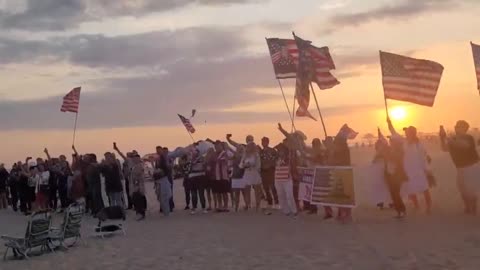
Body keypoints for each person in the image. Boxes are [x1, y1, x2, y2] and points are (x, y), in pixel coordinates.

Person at [388, 118, 432, 213]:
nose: (406, 133)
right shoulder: (403, 141)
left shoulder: (418, 144)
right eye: (406, 131)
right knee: (410, 189)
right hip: (407, 170)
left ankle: (428, 206)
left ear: (412, 133)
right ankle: (416, 205)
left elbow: (423, 157)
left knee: (424, 188)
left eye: (407, 131)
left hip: (418, 170)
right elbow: (393, 133)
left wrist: (427, 169)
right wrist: (389, 123)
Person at [440, 121, 480, 215]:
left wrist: (449, 139)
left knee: (470, 189)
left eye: (458, 126)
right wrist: (442, 138)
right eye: (455, 126)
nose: (455, 128)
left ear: (464, 128)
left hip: (471, 167)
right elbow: (444, 149)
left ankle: (473, 207)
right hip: (460, 168)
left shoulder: (468, 138)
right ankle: (467, 206)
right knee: (462, 189)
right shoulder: (453, 138)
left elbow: (464, 145)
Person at [274, 142, 298, 218]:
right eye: (278, 150)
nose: (279, 151)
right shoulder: (276, 158)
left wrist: (295, 175)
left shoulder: (289, 158)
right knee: (281, 195)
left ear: (284, 150)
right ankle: (286, 210)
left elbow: (293, 167)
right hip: (278, 179)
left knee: (289, 195)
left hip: (287, 180)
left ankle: (294, 210)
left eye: (281, 150)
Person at [240, 142, 262, 212]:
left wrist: (252, 165)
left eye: (250, 146)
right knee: (246, 190)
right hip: (247, 173)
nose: (248, 148)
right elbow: (240, 165)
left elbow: (258, 165)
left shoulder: (256, 155)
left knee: (257, 190)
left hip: (254, 172)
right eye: (248, 146)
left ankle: (258, 205)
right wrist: (244, 165)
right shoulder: (245, 155)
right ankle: (247, 204)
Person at [260, 137, 279, 213]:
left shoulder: (272, 150)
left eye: (265, 141)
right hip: (263, 171)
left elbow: (277, 158)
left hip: (271, 170)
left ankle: (276, 202)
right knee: (265, 187)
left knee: (273, 186)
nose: (263, 143)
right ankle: (269, 201)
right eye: (262, 141)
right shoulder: (260, 151)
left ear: (268, 142)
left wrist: (271, 164)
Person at [187, 148, 208, 214]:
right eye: (193, 152)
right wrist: (193, 160)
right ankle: (194, 208)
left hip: (200, 177)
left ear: (198, 153)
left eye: (196, 152)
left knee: (201, 193)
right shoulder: (190, 159)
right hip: (192, 177)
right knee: (193, 194)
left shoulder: (202, 158)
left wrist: (203, 161)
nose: (194, 153)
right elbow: (188, 167)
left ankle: (203, 207)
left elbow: (205, 166)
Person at [154, 146, 172, 216]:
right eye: (157, 150)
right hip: (159, 180)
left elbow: (168, 168)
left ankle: (167, 211)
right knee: (160, 197)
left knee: (166, 195)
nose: (158, 152)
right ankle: (165, 210)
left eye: (159, 150)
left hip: (164, 179)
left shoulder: (164, 158)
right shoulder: (157, 159)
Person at [214, 140, 230, 212]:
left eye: (218, 146)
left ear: (221, 146)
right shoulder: (215, 154)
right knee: (218, 192)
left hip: (224, 176)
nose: (217, 147)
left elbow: (223, 160)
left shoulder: (224, 153)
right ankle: (220, 205)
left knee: (224, 192)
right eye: (215, 146)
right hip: (217, 176)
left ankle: (226, 206)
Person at [130, 154, 147, 220]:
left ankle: (140, 214)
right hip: (136, 186)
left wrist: (137, 186)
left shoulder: (139, 166)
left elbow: (138, 177)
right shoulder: (135, 166)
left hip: (138, 186)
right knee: (137, 199)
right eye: (133, 158)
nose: (134, 160)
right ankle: (140, 213)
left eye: (136, 158)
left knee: (138, 199)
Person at [231, 145, 247, 212]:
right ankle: (236, 207)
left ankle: (246, 205)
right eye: (238, 149)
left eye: (241, 149)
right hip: (235, 176)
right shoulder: (234, 157)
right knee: (237, 193)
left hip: (242, 176)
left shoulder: (243, 157)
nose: (239, 150)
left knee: (243, 193)